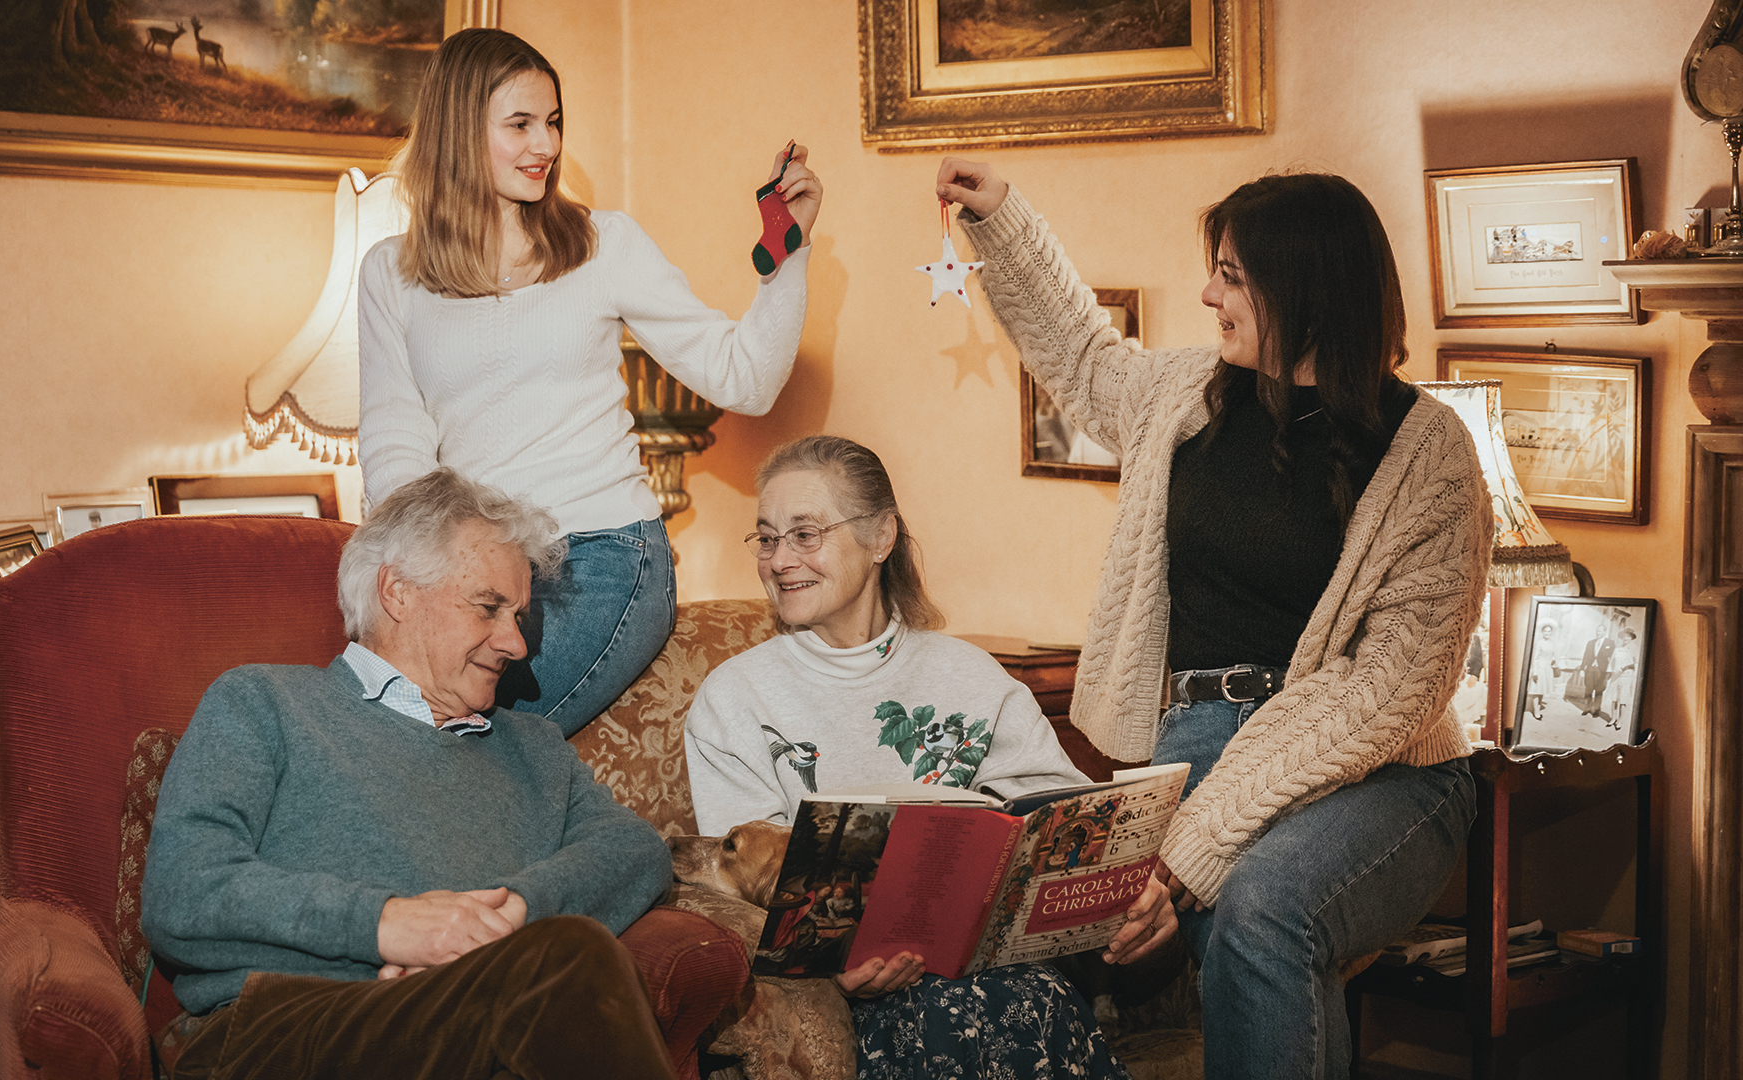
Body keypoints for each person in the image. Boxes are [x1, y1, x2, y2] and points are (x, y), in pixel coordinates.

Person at [935, 159, 1490, 1079]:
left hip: (1379, 771)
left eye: (1231, 276)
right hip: (1195, 738)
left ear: (1303, 291)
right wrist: (1001, 223)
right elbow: (1081, 358)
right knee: (1062, 915)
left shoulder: (1427, 450)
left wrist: (1186, 852)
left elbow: (1387, 690)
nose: (1207, 293)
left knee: (1262, 908)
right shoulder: (1183, 395)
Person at [141, 468, 684, 1080]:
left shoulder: (534, 747)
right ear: (397, 592)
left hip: (477, 1014)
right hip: (282, 1028)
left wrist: (501, 924)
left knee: (558, 977)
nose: (517, 644)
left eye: (519, 616)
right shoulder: (262, 704)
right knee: (570, 959)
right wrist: (390, 925)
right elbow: (185, 890)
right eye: (489, 608)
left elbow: (636, 852)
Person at [359, 28, 822, 737]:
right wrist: (434, 586)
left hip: (601, 556)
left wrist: (788, 251)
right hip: (469, 566)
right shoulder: (391, 274)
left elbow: (746, 379)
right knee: (376, 723)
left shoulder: (603, 245)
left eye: (553, 123)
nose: (545, 145)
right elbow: (396, 443)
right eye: (519, 124)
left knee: (467, 739)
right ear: (458, 130)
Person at [685, 435, 1166, 1080]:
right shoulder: (732, 702)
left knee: (1024, 1002)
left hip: (1009, 974)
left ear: (881, 537)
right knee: (965, 1019)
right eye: (767, 538)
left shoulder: (973, 678)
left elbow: (1077, 825)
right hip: (862, 1006)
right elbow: (744, 880)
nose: (780, 560)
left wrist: (1136, 892)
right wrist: (840, 964)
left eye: (805, 534)